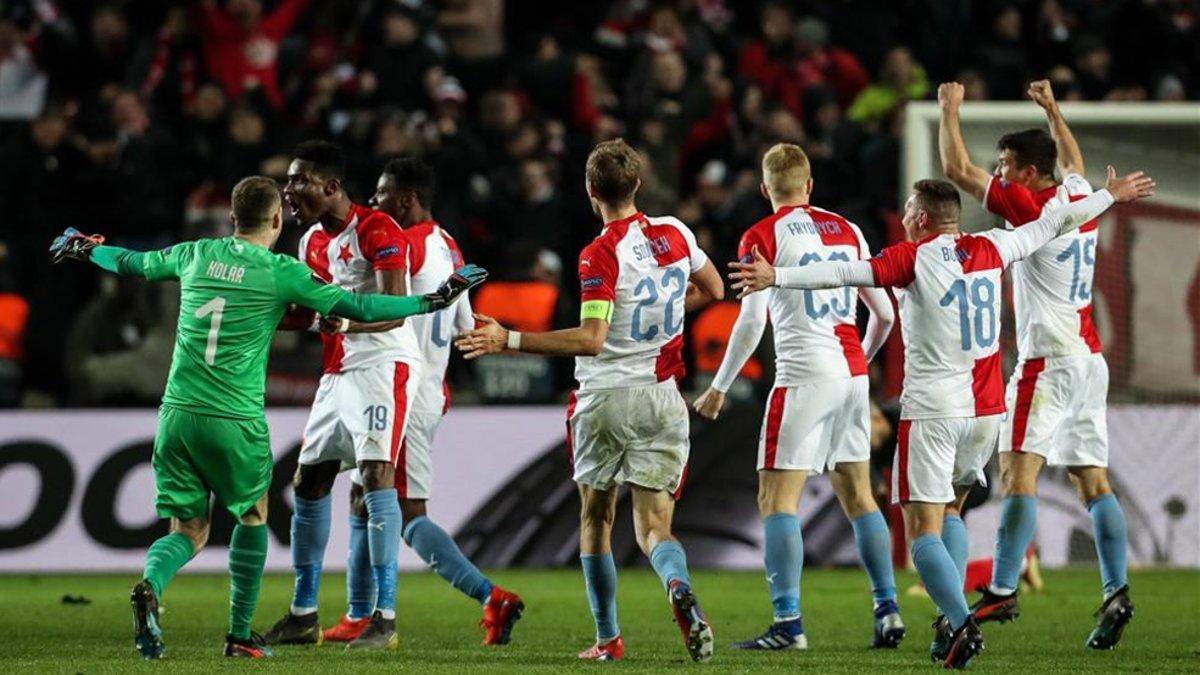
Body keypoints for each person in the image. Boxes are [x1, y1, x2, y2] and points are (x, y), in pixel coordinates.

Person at [728, 171, 1154, 668]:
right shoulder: (995, 245)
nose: (905, 215)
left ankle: (961, 623)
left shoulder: (911, 257)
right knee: (951, 512)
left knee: (921, 530)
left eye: (909, 209)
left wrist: (777, 276)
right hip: (985, 413)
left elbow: (844, 274)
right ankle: (946, 623)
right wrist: (1110, 196)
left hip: (933, 412)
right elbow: (1061, 218)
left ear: (923, 219)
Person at [48, 176, 483, 660]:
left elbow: (129, 261)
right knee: (252, 517)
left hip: (176, 415)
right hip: (233, 418)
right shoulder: (280, 271)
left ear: (233, 219)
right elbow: (361, 305)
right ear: (277, 220)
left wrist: (85, 249)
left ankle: (151, 583)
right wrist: (432, 300)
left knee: (186, 530)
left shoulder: (193, 254)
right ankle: (238, 636)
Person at [456, 139, 725, 662]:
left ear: (590, 192)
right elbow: (713, 288)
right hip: (663, 393)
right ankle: (676, 585)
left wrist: (508, 339)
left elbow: (592, 339)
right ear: (638, 186)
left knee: (596, 518)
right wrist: (666, 315)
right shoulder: (676, 233)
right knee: (654, 527)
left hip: (605, 396)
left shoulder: (599, 253)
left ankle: (608, 639)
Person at [939, 80, 1135, 648]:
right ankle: (1115, 588)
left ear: (1027, 173)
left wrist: (950, 109)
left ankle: (1001, 588)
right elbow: (1071, 158)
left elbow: (956, 167)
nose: (996, 174)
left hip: (1045, 364)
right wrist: (1053, 110)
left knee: (1016, 476)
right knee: (1092, 480)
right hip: (1088, 358)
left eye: (1004, 165)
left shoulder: (1030, 207)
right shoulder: (1078, 194)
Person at [692, 143, 903, 651]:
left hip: (804, 373)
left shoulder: (761, 235)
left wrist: (718, 387)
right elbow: (886, 315)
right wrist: (858, 364)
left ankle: (788, 624)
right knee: (858, 495)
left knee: (775, 497)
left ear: (766, 189)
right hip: (852, 373)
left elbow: (750, 319)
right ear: (810, 186)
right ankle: (888, 610)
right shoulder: (850, 230)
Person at [318, 157, 525, 646]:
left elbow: (385, 312)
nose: (372, 202)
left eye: (381, 193)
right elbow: (460, 326)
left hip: (401, 390)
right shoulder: (449, 246)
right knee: (364, 495)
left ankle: (488, 596)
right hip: (425, 387)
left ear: (406, 200)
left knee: (405, 511)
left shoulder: (399, 246)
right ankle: (357, 612)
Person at [263, 141, 422, 650]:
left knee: (376, 473)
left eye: (299, 182)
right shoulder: (310, 241)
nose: (289, 192)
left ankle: (385, 618)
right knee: (308, 482)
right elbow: (306, 311)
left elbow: (398, 308)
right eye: (288, 183)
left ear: (331, 186)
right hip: (338, 369)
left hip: (383, 361)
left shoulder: (379, 229)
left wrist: (347, 319)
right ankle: (303, 612)